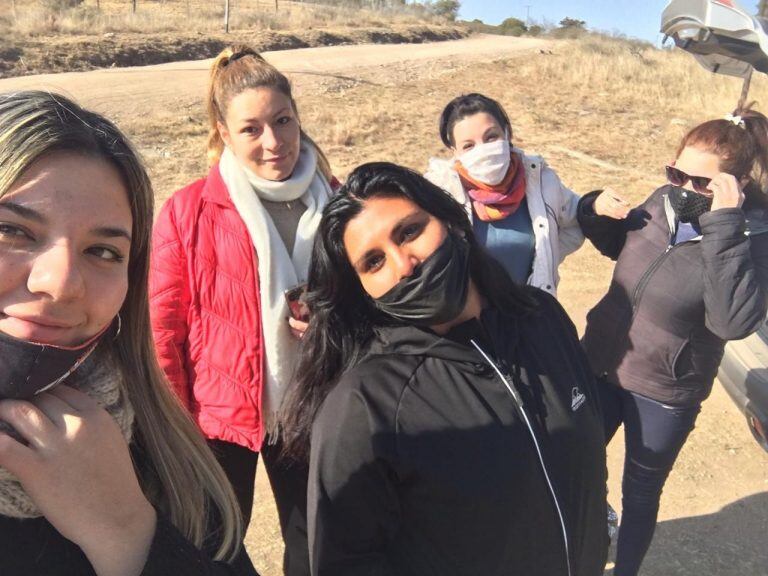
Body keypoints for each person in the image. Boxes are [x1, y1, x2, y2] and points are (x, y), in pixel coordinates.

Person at [280, 162, 609, 576]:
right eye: (374, 262)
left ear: (451, 221)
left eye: (410, 231)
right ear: (363, 290)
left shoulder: (541, 318)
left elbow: (587, 456)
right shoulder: (366, 405)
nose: (404, 264)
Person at [0, 90, 256, 575]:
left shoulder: (165, 457)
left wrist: (126, 533)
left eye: (103, 251)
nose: (60, 284)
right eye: (13, 230)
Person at [150, 45, 337, 576]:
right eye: (251, 128)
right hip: (216, 418)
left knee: (317, 546)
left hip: (315, 406)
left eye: (283, 121)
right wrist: (175, 430)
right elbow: (163, 331)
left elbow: (371, 301)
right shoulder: (188, 210)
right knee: (215, 547)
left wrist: (336, 319)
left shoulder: (339, 201)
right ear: (223, 132)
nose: (273, 142)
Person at [578, 107, 768, 576]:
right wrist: (595, 211)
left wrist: (724, 225)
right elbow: (630, 250)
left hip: (663, 391)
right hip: (602, 363)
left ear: (737, 184)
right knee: (575, 464)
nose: (686, 189)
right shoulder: (665, 198)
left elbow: (732, 320)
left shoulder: (755, 238)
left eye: (703, 183)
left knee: (640, 495)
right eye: (678, 173)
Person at [424, 93, 584, 295]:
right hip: (471, 322)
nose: (483, 150)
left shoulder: (540, 181)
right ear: (454, 151)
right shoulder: (437, 196)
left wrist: (545, 259)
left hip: (532, 314)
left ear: (507, 134)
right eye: (469, 146)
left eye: (491, 137)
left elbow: (576, 219)